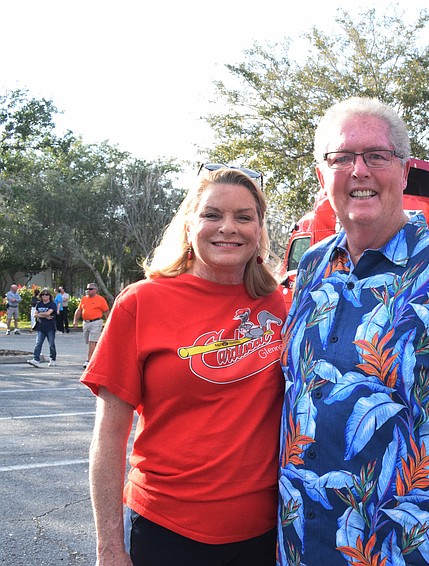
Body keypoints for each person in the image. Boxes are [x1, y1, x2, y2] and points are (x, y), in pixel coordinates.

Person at [277, 97, 429, 566]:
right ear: (323, 175)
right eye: (341, 157)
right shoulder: (312, 266)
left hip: (407, 547)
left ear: (403, 172)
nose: (359, 170)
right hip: (302, 540)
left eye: (377, 156)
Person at [82, 167, 286, 566]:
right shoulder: (140, 303)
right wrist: (109, 547)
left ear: (259, 231)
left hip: (266, 532)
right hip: (164, 530)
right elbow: (108, 438)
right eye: (212, 215)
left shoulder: (284, 306)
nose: (228, 228)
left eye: (243, 217)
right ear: (190, 223)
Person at [73, 283, 110, 368]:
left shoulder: (100, 299)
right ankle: (99, 357)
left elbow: (106, 312)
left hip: (96, 322)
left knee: (91, 341)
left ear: (95, 290)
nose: (88, 290)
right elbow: (79, 310)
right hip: (86, 322)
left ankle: (89, 360)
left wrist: (108, 322)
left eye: (91, 289)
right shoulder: (84, 299)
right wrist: (75, 321)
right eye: (87, 289)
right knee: (93, 342)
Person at [27, 289, 58, 368]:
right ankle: (36, 359)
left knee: (51, 344)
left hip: (50, 327)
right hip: (41, 327)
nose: (45, 296)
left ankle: (53, 359)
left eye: (46, 295)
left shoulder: (52, 304)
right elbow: (35, 315)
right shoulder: (39, 304)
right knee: (38, 343)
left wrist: (42, 314)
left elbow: (48, 313)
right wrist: (45, 316)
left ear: (49, 296)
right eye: (43, 295)